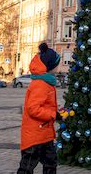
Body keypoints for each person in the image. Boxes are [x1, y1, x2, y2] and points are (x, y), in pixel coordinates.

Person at [16, 46, 60, 174]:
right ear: (50, 66)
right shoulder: (41, 84)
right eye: (57, 64)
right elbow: (33, 109)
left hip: (44, 133)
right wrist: (53, 115)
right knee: (27, 167)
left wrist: (57, 113)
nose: (58, 67)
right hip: (35, 135)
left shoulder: (46, 82)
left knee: (51, 163)